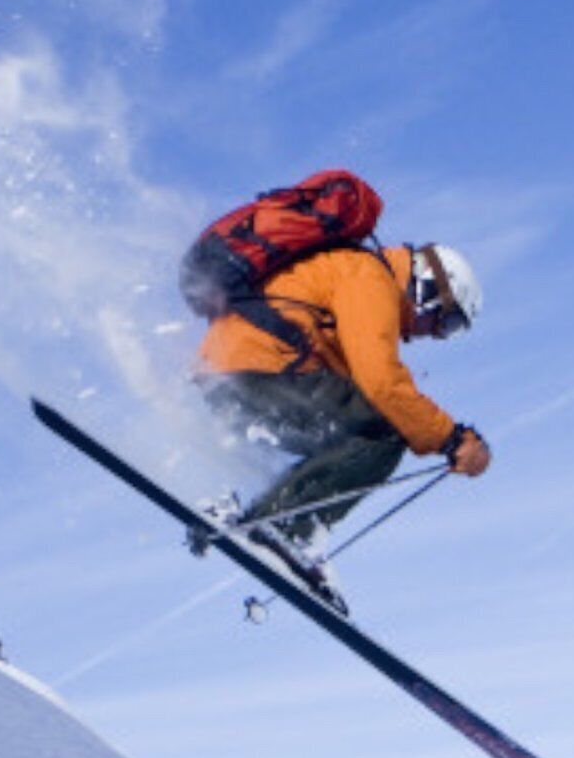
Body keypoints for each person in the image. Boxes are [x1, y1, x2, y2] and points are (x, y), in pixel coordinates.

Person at [196, 238, 490, 584]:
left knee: (352, 433)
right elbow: (382, 383)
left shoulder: (360, 277)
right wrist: (451, 439)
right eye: (448, 322)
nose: (437, 335)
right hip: (255, 374)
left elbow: (364, 389)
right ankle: (281, 526)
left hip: (234, 377)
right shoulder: (370, 278)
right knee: (385, 432)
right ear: (430, 286)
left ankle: (263, 519)